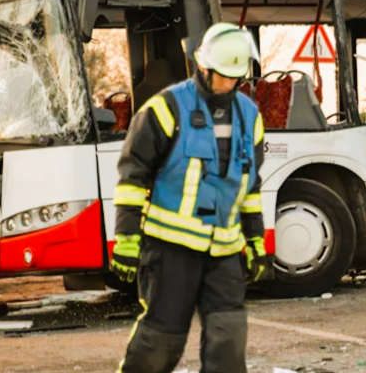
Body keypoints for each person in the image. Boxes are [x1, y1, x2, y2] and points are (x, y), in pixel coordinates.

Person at [110, 23, 271, 373]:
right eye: (223, 77)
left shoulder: (250, 117)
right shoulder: (166, 109)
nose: (229, 85)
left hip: (225, 254)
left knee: (228, 344)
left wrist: (256, 241)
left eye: (236, 78)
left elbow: (249, 187)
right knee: (159, 344)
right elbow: (132, 177)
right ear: (204, 68)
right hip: (170, 249)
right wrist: (126, 238)